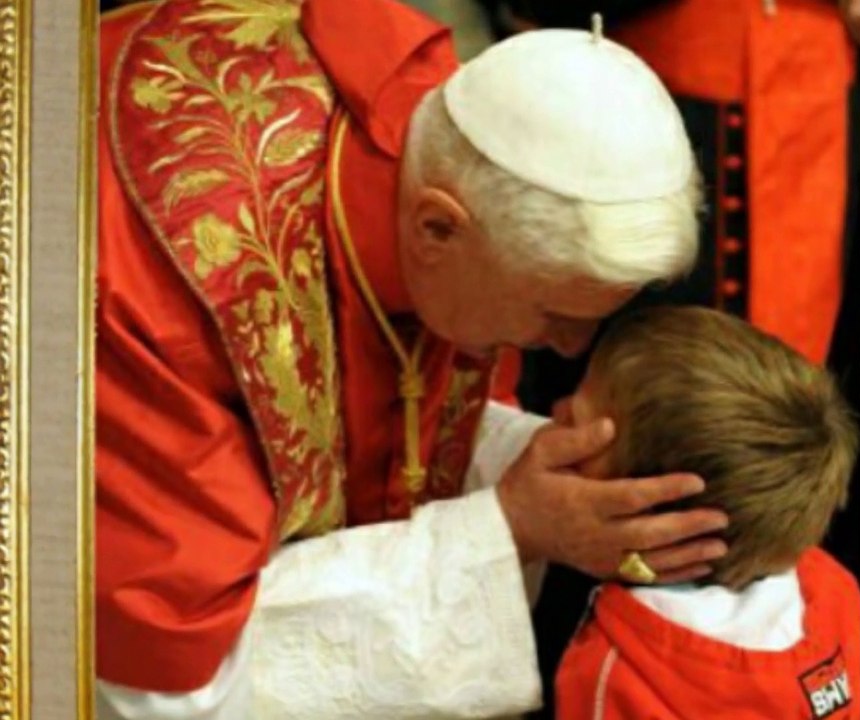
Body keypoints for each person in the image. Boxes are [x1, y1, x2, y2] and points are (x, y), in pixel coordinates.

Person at [96, 1, 730, 718]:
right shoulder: (165, 291)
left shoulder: (458, 134)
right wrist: (510, 530)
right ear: (436, 226)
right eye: (554, 314)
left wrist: (559, 472)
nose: (568, 349)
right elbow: (161, 685)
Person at [551, 306, 860, 719]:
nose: (553, 415)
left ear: (646, 503)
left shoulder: (618, 673)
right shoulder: (832, 591)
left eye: (575, 420)